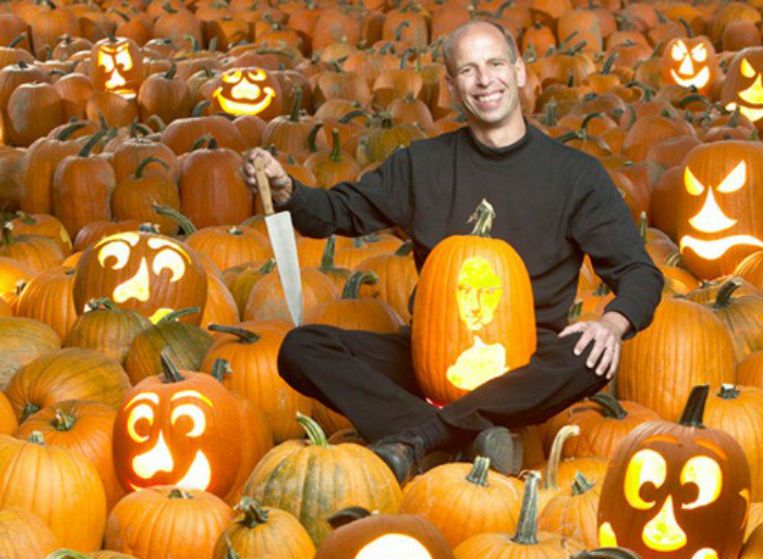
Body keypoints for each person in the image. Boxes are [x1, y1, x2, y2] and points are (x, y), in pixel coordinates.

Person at [242, 20, 664, 483]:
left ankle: (420, 439)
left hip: (528, 359)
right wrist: (287, 191)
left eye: (495, 64)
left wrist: (612, 321)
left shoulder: (575, 176)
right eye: (468, 70)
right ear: (450, 86)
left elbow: (639, 272)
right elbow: (336, 213)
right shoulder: (423, 165)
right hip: (431, 353)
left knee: (590, 357)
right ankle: (453, 435)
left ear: (519, 73)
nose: (485, 80)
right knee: (303, 348)